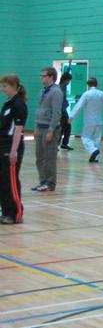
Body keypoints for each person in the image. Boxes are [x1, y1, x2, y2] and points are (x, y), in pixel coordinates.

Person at [69, 78, 103, 163]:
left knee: (85, 137)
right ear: (96, 84)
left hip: (89, 121)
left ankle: (93, 151)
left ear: (88, 84)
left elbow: (78, 106)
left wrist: (71, 117)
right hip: (99, 121)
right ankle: (95, 158)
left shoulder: (86, 94)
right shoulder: (101, 94)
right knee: (96, 139)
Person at [0, 74, 27, 224]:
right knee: (3, 182)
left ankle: (16, 214)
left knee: (11, 181)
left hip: (11, 148)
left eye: (5, 86)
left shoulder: (19, 104)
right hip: (3, 146)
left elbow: (18, 129)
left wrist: (14, 150)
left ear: (13, 86)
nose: (2, 89)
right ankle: (6, 212)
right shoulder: (8, 104)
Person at [33, 66, 64, 192]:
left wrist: (51, 130)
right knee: (39, 156)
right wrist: (36, 127)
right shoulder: (43, 91)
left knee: (49, 157)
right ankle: (42, 181)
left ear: (51, 77)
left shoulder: (56, 92)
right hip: (40, 127)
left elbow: (56, 112)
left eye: (44, 76)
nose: (41, 78)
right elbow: (40, 110)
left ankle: (50, 182)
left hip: (49, 129)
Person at [58, 72, 73, 151]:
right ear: (65, 80)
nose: (69, 82)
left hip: (63, 110)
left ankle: (64, 143)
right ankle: (57, 144)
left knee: (67, 127)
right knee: (62, 127)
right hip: (61, 110)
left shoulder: (63, 86)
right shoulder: (60, 87)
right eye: (68, 80)